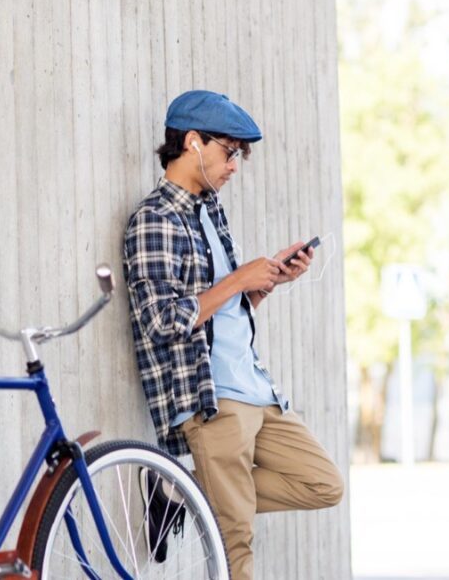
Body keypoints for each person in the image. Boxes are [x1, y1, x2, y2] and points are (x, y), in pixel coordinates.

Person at [122, 90, 344, 578]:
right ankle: (196, 488)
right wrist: (238, 279)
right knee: (235, 539)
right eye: (228, 152)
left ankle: (177, 487)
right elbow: (161, 320)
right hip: (211, 398)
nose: (233, 167)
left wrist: (264, 285)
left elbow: (223, 313)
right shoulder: (155, 218)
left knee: (324, 483)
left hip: (257, 391)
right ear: (193, 143)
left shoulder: (212, 212)